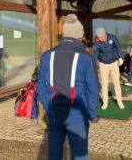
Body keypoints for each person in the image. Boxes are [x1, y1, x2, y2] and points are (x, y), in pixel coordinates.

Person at [36, 14, 98, 160]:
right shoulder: (86, 57)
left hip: (54, 111)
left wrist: (47, 104)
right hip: (77, 114)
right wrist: (91, 113)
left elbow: (40, 83)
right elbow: (93, 89)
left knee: (54, 154)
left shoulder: (47, 55)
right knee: (79, 155)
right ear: (80, 35)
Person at [93, 27, 125, 110]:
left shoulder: (112, 37)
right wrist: (93, 64)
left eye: (102, 37)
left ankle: (119, 101)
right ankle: (105, 102)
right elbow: (95, 54)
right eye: (99, 37)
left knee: (116, 83)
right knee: (104, 84)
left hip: (114, 62)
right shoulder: (96, 42)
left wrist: (120, 57)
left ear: (105, 34)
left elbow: (118, 47)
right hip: (103, 64)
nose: (101, 38)